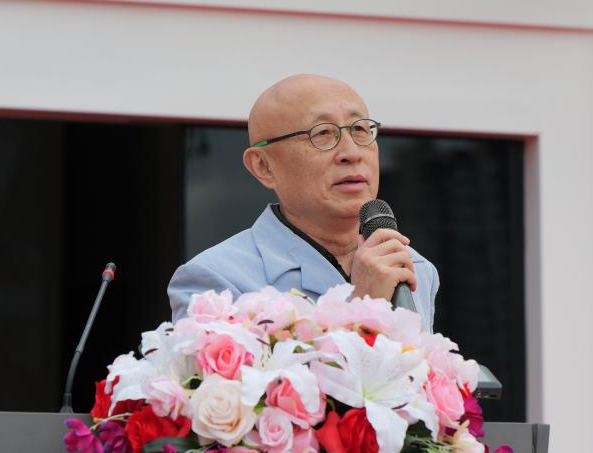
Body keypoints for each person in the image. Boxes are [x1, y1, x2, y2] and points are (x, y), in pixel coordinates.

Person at [167, 74, 439, 331]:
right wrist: (364, 306)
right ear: (263, 166)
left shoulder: (412, 267)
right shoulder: (216, 281)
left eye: (359, 129)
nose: (352, 152)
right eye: (322, 134)